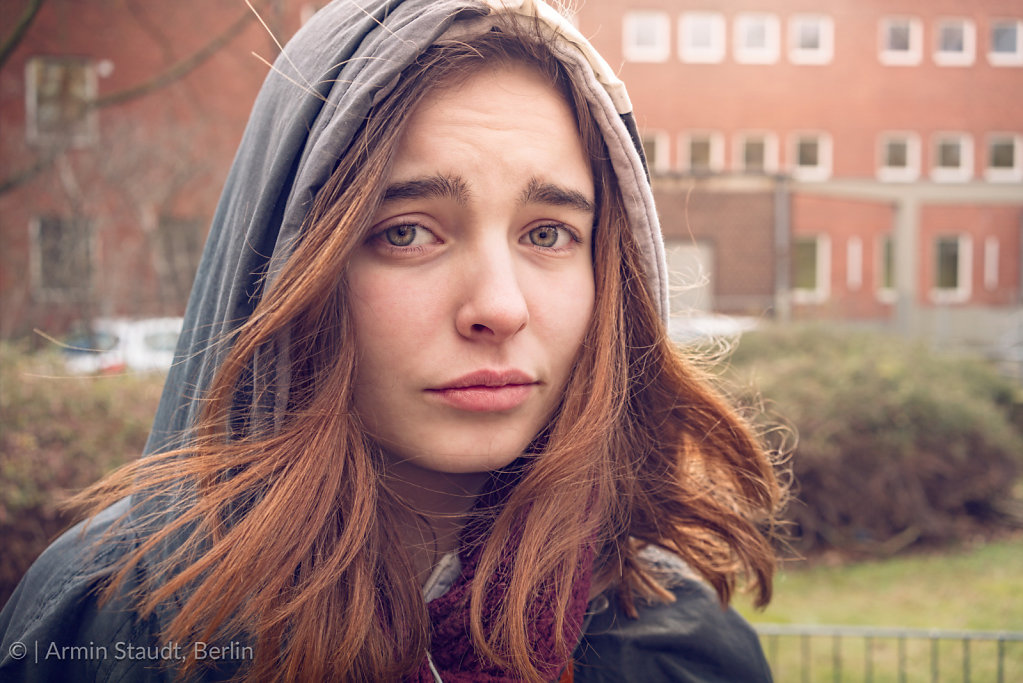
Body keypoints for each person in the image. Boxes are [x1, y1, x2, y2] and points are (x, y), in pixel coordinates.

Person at [0, 1, 783, 680]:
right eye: (406, 232)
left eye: (548, 232)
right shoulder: (110, 623)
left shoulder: (679, 649)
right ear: (291, 258)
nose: (499, 307)